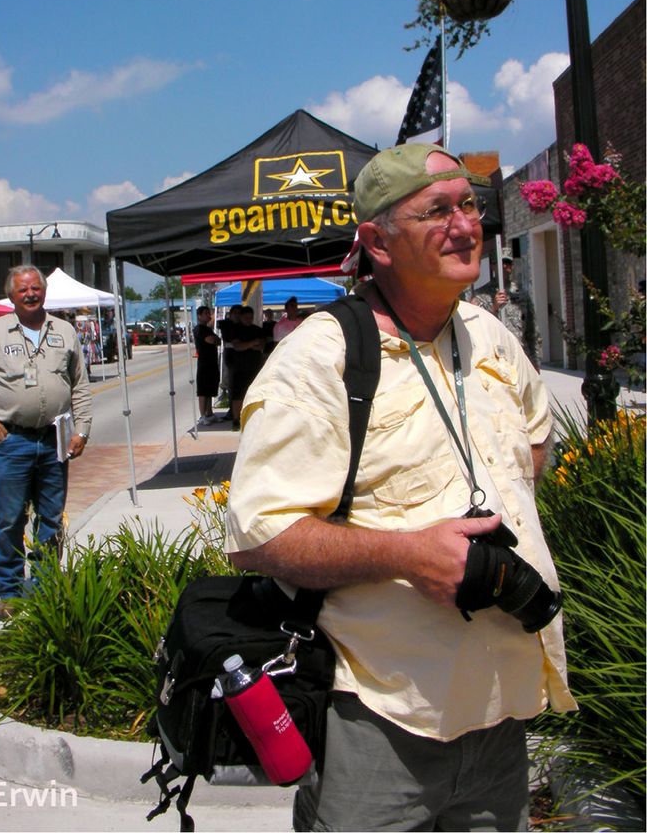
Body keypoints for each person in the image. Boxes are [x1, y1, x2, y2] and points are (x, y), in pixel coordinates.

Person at [225, 144, 574, 832]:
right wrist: (410, 554)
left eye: (470, 206)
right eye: (436, 210)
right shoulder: (318, 360)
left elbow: (537, 441)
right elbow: (261, 534)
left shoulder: (490, 337)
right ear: (377, 242)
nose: (464, 225)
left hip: (501, 717)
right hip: (381, 722)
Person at [0, 265, 92, 622]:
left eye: (36, 287)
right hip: (12, 441)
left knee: (50, 519)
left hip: (55, 441)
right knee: (10, 520)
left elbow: (79, 384)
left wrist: (82, 429)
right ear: (11, 295)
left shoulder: (64, 331)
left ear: (44, 291)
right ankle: (10, 591)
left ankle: (46, 585)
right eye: (23, 290)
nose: (31, 294)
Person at [471, 248, 542, 369]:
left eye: (507, 263)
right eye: (500, 262)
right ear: (493, 266)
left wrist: (536, 362)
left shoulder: (522, 294)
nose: (504, 266)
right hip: (495, 359)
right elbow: (476, 328)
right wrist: (494, 308)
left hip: (521, 357)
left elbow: (532, 330)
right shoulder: (481, 295)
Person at [230, 306, 265, 431]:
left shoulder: (257, 330)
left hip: (255, 366)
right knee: (238, 395)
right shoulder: (235, 329)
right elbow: (237, 346)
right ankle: (236, 419)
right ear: (241, 317)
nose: (249, 320)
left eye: (251, 317)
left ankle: (253, 418)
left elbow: (261, 346)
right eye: (246, 317)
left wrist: (249, 345)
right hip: (239, 366)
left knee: (255, 393)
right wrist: (252, 343)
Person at [193, 305, 221, 425]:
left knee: (211, 389)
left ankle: (209, 413)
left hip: (212, 362)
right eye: (205, 313)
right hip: (204, 363)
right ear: (199, 316)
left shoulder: (208, 329)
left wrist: (215, 339)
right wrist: (214, 339)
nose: (208, 316)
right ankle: (202, 415)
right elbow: (211, 340)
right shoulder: (199, 329)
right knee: (203, 391)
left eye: (209, 313)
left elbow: (218, 341)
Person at [218, 304, 242, 418]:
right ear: (231, 314)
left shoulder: (243, 326)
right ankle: (232, 410)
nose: (237, 316)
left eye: (239, 313)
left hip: (243, 356)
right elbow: (229, 339)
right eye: (235, 313)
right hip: (230, 356)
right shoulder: (225, 324)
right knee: (231, 384)